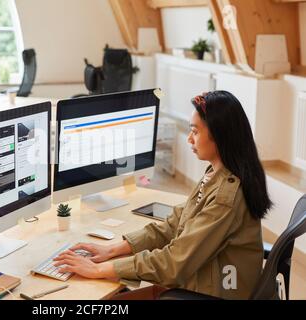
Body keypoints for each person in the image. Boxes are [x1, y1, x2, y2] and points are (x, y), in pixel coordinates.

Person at [54, 90, 272, 299]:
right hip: (206, 281)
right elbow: (175, 222)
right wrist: (114, 250)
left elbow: (175, 262)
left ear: (220, 135)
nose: (189, 139)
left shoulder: (226, 196)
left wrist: (100, 269)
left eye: (195, 131)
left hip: (213, 291)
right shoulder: (218, 173)